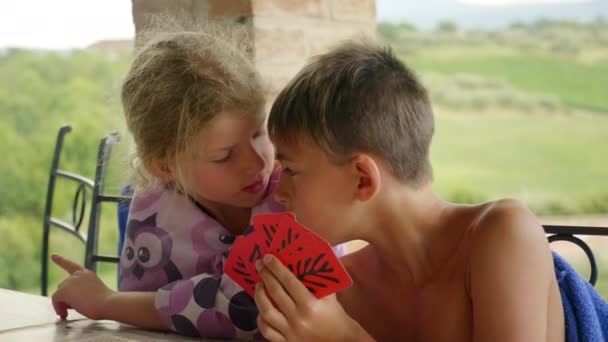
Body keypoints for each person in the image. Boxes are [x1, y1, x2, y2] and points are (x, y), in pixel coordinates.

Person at [252, 41, 567, 341]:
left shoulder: (502, 234)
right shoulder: (339, 294)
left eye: (290, 170)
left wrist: (345, 338)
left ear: (362, 178)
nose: (278, 191)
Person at [51, 30, 344, 340]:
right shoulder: (152, 206)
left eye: (259, 133)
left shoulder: (297, 191)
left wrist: (107, 302)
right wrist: (117, 304)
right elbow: (142, 317)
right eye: (224, 156)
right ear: (165, 167)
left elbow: (244, 311)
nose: (258, 163)